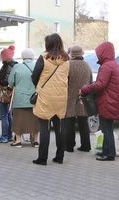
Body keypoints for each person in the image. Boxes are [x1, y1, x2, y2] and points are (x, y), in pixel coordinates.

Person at [32, 33, 70, 165]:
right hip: (61, 97)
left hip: (45, 97)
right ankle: (60, 157)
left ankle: (42, 158)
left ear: (48, 44)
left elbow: (34, 76)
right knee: (60, 128)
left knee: (45, 128)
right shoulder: (66, 59)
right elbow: (68, 78)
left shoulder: (44, 57)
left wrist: (39, 87)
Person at [81, 42, 119, 161]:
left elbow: (100, 84)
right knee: (107, 128)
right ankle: (106, 151)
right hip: (111, 100)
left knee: (106, 129)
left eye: (99, 53)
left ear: (103, 53)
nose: (98, 56)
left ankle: (109, 154)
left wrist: (85, 89)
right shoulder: (112, 64)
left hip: (107, 101)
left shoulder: (107, 66)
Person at [8, 48, 40, 148]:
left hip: (19, 98)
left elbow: (10, 82)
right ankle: (35, 141)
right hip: (35, 98)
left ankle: (18, 141)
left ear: (22, 56)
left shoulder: (17, 66)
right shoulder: (38, 66)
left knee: (18, 119)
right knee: (35, 119)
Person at [65, 45, 92, 153]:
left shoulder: (68, 65)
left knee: (69, 122)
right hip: (83, 97)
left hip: (70, 96)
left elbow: (64, 81)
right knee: (83, 122)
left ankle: (69, 146)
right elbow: (90, 81)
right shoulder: (87, 65)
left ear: (71, 54)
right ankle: (86, 146)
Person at [0, 45, 17, 143]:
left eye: (2, 56)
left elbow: (5, 82)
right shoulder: (14, 65)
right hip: (10, 93)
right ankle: (9, 135)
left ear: (6, 56)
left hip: (4, 93)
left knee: (4, 115)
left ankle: (4, 136)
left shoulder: (7, 66)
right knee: (8, 115)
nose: (1, 57)